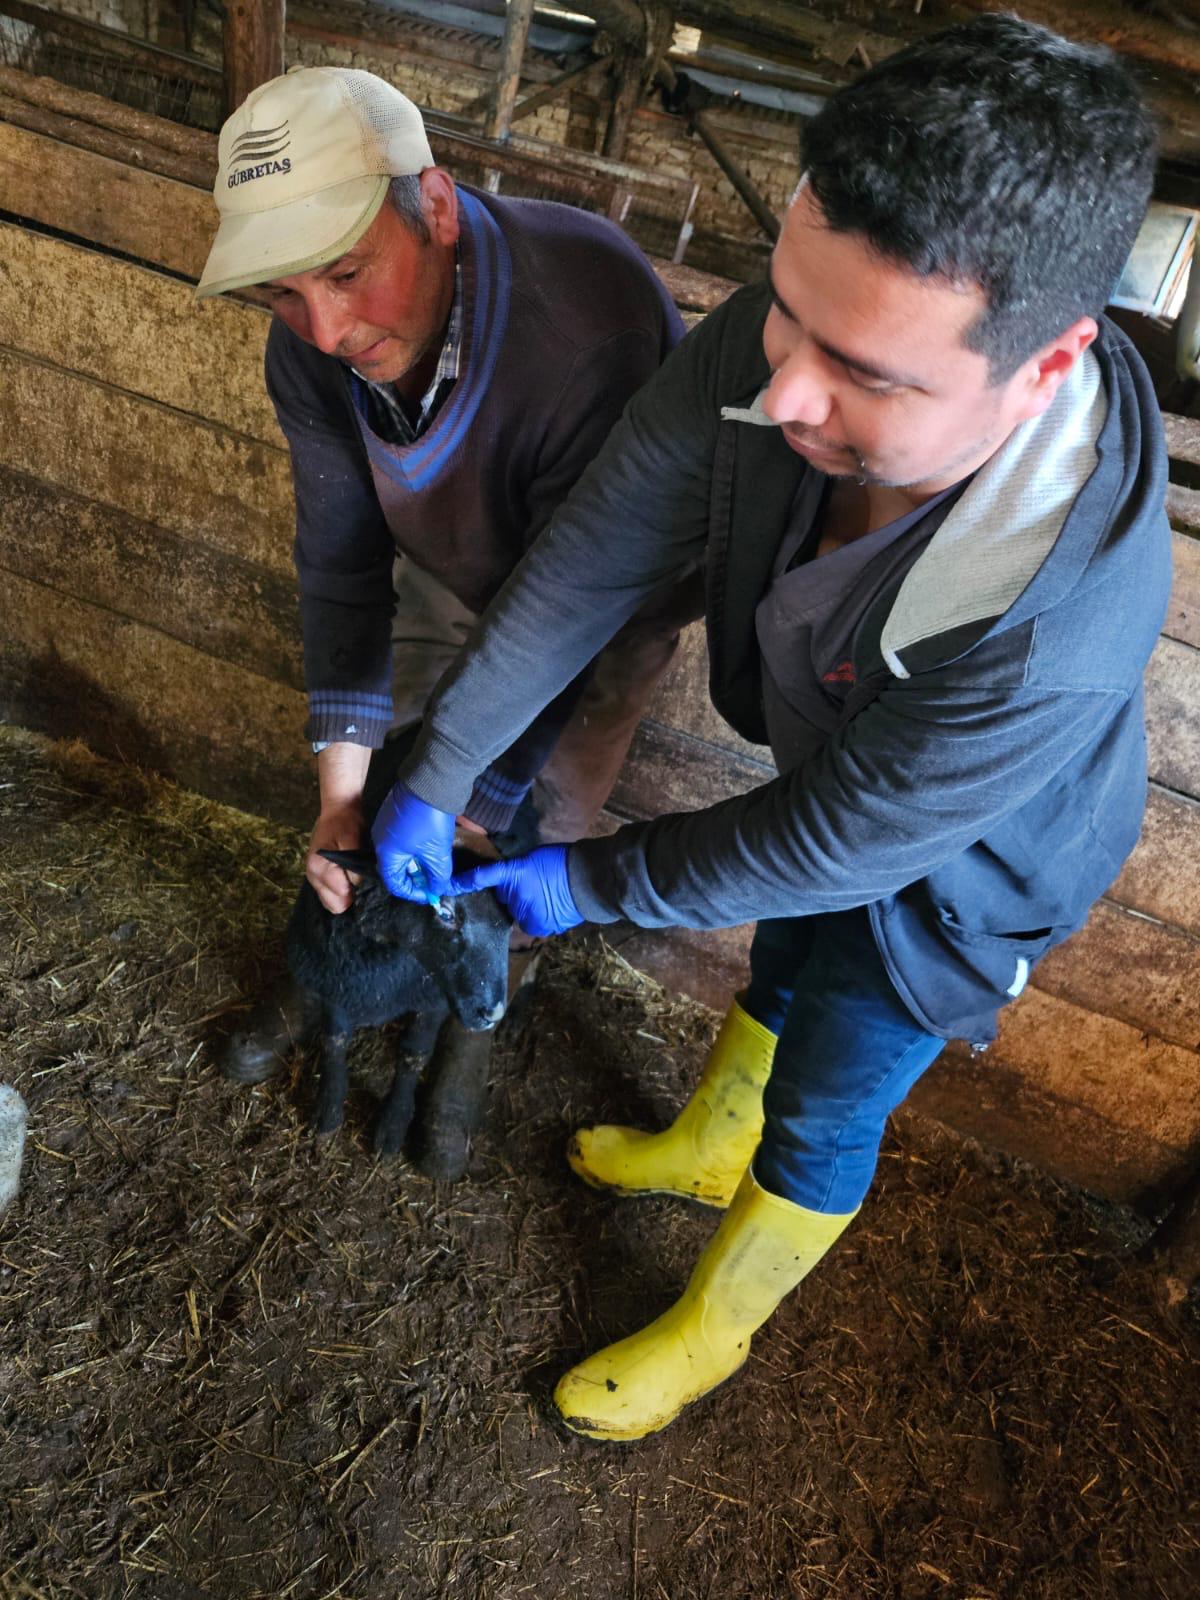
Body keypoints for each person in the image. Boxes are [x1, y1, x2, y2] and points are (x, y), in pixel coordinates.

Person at [365, 17, 1171, 1441]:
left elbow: (849, 840)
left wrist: (590, 880)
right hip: (840, 792)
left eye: (869, 373)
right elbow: (596, 553)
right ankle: (705, 1139)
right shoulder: (787, 340)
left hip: (971, 872)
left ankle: (716, 1322)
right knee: (790, 952)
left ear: (1047, 366)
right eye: (787, 307)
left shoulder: (1051, 627)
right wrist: (437, 771)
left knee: (840, 1070)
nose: (782, 386)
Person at [195, 67, 699, 1079]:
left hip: (612, 596)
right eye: (284, 292)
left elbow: (570, 615)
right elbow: (340, 564)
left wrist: (473, 804)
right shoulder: (314, 348)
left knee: (530, 807)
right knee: (395, 778)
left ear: (435, 206)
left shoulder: (583, 333)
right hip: (452, 542)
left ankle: (473, 1019)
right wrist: (340, 801)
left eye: (346, 272)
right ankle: (329, 974)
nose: (326, 330)